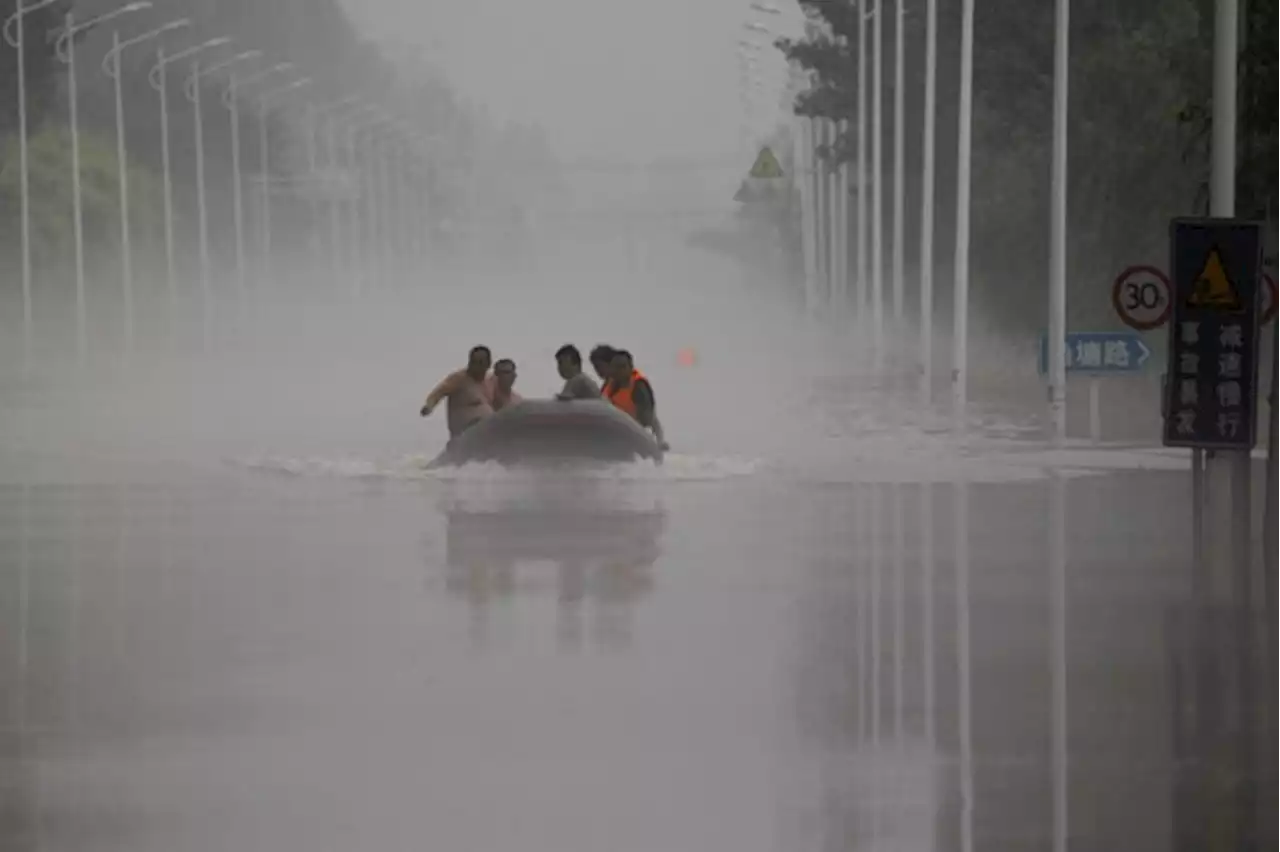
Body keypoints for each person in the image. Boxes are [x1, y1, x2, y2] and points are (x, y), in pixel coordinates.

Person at [420, 345, 494, 438]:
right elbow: (439, 392)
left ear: (488, 364)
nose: (475, 366)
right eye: (472, 362)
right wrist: (429, 406)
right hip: (464, 434)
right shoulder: (459, 379)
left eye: (479, 362)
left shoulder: (489, 382)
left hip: (487, 432)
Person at [605, 349, 668, 449]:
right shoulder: (610, 385)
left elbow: (648, 420)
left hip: (637, 431)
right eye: (615, 367)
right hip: (615, 431)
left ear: (630, 368)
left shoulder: (639, 387)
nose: (618, 371)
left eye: (622, 367)